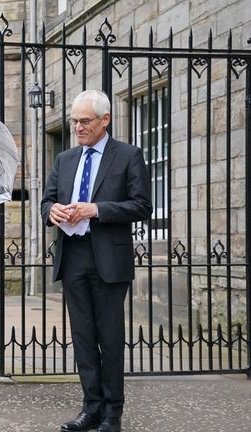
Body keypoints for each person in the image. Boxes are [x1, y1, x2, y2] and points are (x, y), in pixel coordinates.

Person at [40, 90, 152, 432]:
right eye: (74, 121)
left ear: (105, 120)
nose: (77, 127)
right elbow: (46, 202)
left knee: (110, 337)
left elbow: (142, 206)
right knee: (84, 337)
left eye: (84, 121)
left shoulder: (128, 155)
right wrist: (53, 212)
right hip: (72, 256)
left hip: (108, 258)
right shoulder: (65, 159)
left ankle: (112, 413)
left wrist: (97, 209)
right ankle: (90, 408)